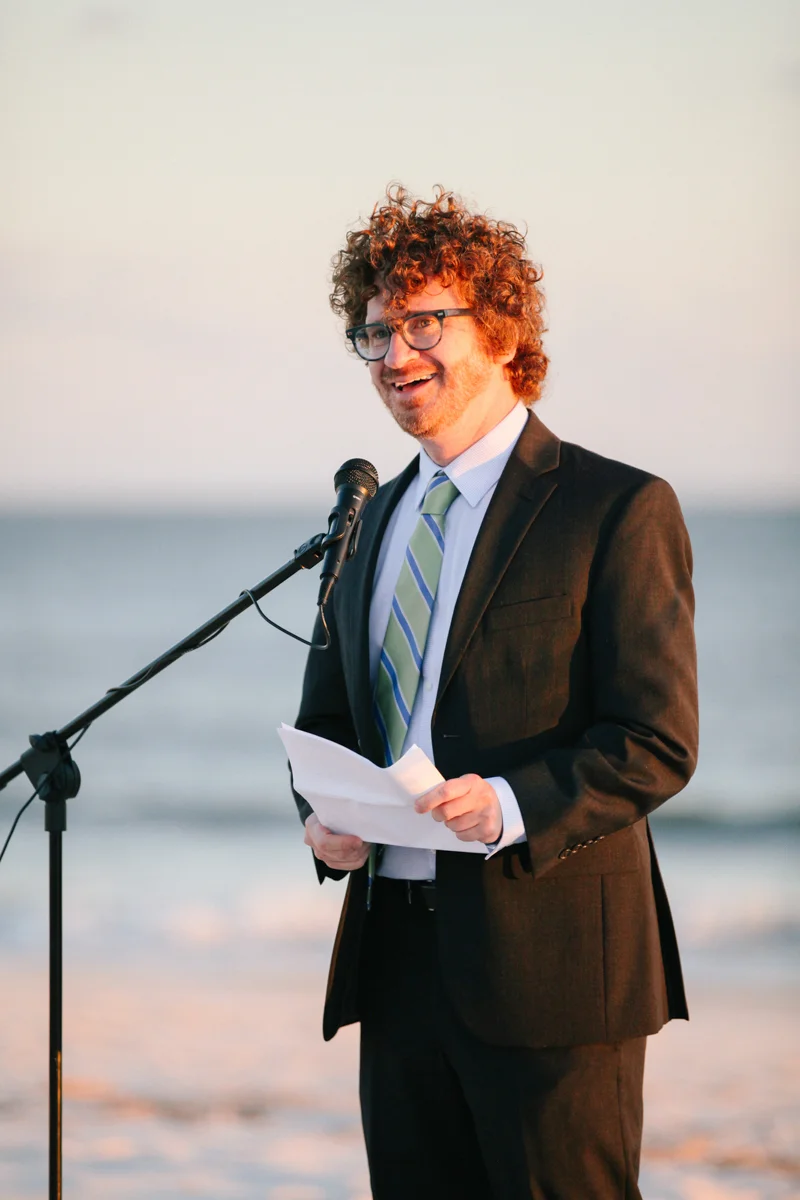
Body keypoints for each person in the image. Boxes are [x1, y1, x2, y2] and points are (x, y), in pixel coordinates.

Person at [291, 185, 698, 1200]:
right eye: (374, 332)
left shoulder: (615, 507)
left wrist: (511, 804)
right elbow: (328, 721)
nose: (393, 355)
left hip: (553, 974)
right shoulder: (367, 522)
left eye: (423, 323)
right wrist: (322, 818)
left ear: (503, 331)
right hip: (394, 964)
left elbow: (655, 740)